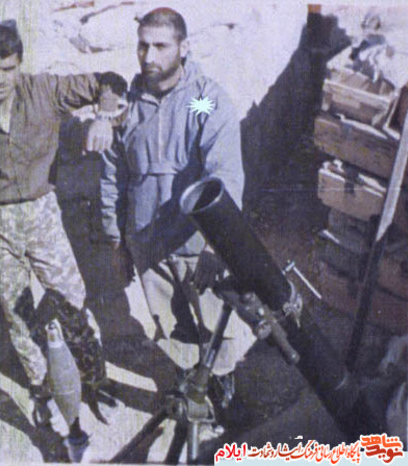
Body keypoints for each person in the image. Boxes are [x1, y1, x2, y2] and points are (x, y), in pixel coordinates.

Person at [0, 20, 125, 460]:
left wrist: (103, 118)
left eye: (7, 68)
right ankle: (45, 392)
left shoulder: (44, 90)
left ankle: (95, 381)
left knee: (72, 301)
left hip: (42, 213)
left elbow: (111, 82)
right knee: (19, 316)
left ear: (20, 65)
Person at [99, 7, 256, 405]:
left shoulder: (201, 102)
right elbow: (112, 177)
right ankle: (188, 382)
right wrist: (117, 242)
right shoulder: (127, 107)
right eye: (143, 46)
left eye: (161, 46)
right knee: (170, 324)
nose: (148, 56)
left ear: (184, 48)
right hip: (148, 244)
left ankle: (223, 388)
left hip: (195, 244)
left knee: (214, 324)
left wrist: (217, 244)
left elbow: (225, 174)